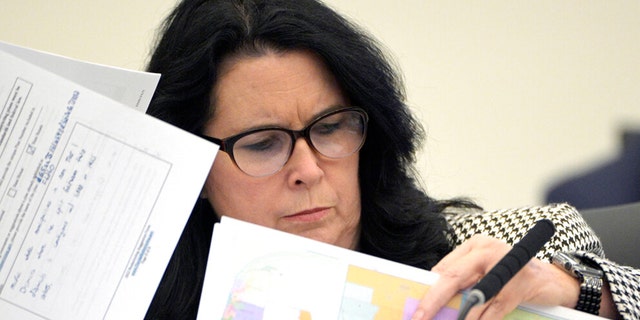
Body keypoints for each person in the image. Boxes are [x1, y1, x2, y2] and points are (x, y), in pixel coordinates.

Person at [143, 0, 639, 319]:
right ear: (193, 164)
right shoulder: (131, 295)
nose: (309, 170)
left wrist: (574, 289)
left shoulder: (495, 248)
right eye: (262, 143)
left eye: (331, 128)